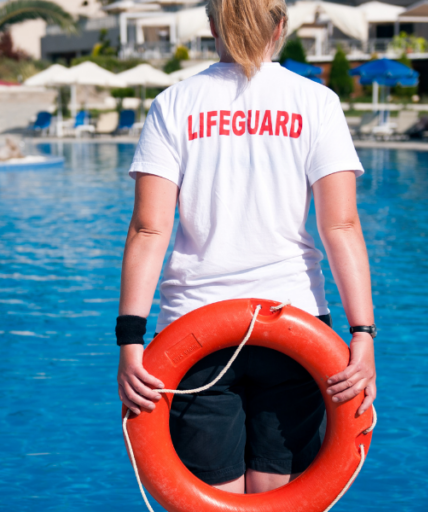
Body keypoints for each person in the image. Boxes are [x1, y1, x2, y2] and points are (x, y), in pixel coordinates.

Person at [114, 0, 377, 495]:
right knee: (282, 493)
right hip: (293, 327)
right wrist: (362, 334)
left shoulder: (174, 104)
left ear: (211, 25)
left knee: (215, 498)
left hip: (197, 334)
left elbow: (150, 230)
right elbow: (340, 226)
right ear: (281, 26)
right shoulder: (315, 103)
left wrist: (131, 341)